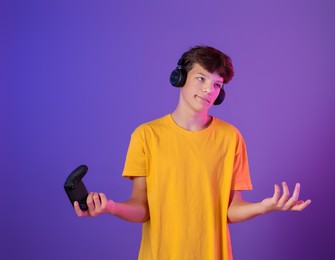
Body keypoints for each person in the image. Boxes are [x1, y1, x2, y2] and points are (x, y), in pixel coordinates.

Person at [74, 45, 312, 259]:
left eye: (217, 84)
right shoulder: (146, 136)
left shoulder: (231, 138)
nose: (209, 89)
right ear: (179, 78)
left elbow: (230, 210)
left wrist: (264, 206)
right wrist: (110, 207)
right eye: (201, 78)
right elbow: (142, 207)